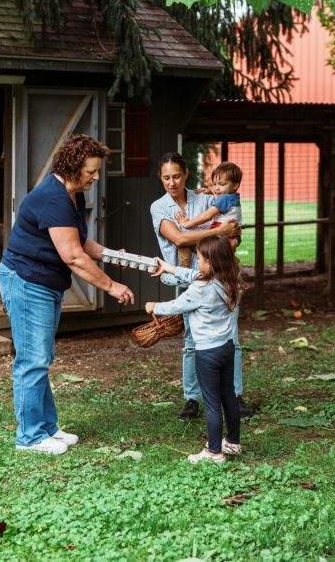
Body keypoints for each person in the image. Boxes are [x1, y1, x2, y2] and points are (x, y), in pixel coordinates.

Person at [0, 134, 135, 455]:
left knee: (40, 357)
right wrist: (112, 286)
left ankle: (46, 428)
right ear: (73, 167)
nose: (96, 177)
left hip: (44, 284)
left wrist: (114, 256)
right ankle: (29, 437)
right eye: (91, 171)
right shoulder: (54, 198)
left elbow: (82, 242)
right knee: (32, 359)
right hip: (27, 282)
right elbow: (73, 256)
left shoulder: (72, 195)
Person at [150, 152, 252, 420]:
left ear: (185, 175)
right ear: (161, 179)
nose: (172, 182)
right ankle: (192, 399)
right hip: (189, 277)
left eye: (176, 176)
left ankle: (235, 394)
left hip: (221, 275)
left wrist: (229, 237)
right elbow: (180, 239)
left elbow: (236, 231)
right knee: (192, 340)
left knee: (231, 337)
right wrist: (218, 233)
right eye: (166, 178)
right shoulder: (159, 207)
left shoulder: (207, 198)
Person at [146, 235, 243, 464]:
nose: (196, 262)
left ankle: (213, 452)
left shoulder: (201, 289)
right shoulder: (228, 280)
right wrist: (169, 267)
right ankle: (233, 442)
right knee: (228, 396)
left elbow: (176, 305)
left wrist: (154, 306)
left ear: (209, 261)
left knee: (211, 402)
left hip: (207, 353)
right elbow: (193, 275)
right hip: (226, 347)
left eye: (199, 258)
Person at [174, 161, 243, 268]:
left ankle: (183, 271)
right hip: (228, 239)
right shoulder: (234, 197)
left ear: (235, 185)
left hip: (218, 240)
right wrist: (210, 191)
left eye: (222, 184)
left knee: (185, 244)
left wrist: (187, 223)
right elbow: (222, 199)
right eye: (214, 184)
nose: (216, 188)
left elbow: (206, 216)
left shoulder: (225, 199)